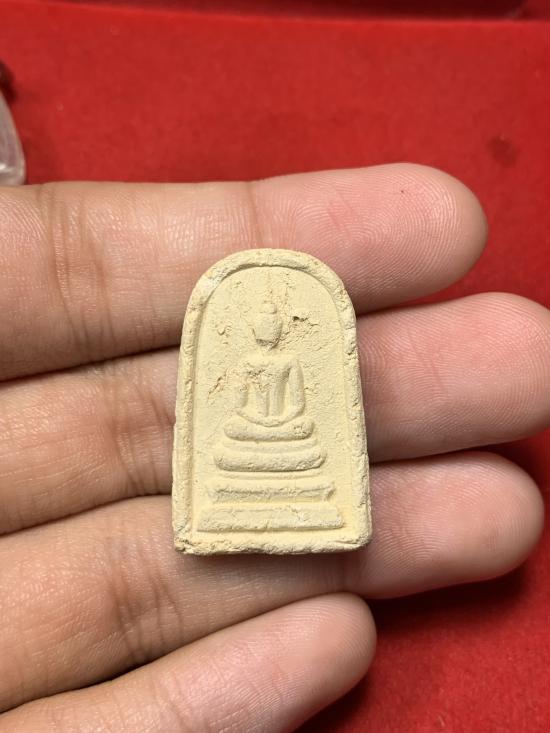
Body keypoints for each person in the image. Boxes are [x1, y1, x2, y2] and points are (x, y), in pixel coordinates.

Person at [0, 164, 547, 731]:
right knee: (234, 442)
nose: (265, 335)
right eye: (260, 329)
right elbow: (237, 409)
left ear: (278, 331)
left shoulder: (287, 360)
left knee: (302, 444)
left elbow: (296, 408)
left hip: (287, 437)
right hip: (250, 436)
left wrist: (282, 425)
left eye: (269, 328)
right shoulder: (248, 361)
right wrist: (252, 424)